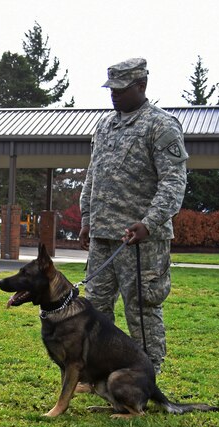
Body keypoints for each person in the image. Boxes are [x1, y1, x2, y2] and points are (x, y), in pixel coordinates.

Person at [78, 58, 188, 375]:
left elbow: (173, 181)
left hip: (141, 241)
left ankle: (146, 374)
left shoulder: (161, 125)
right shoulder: (104, 125)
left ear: (141, 86)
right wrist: (87, 218)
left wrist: (150, 222)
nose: (114, 96)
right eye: (111, 89)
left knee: (141, 307)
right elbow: (92, 176)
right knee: (95, 308)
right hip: (102, 237)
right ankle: (99, 371)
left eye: (121, 89)